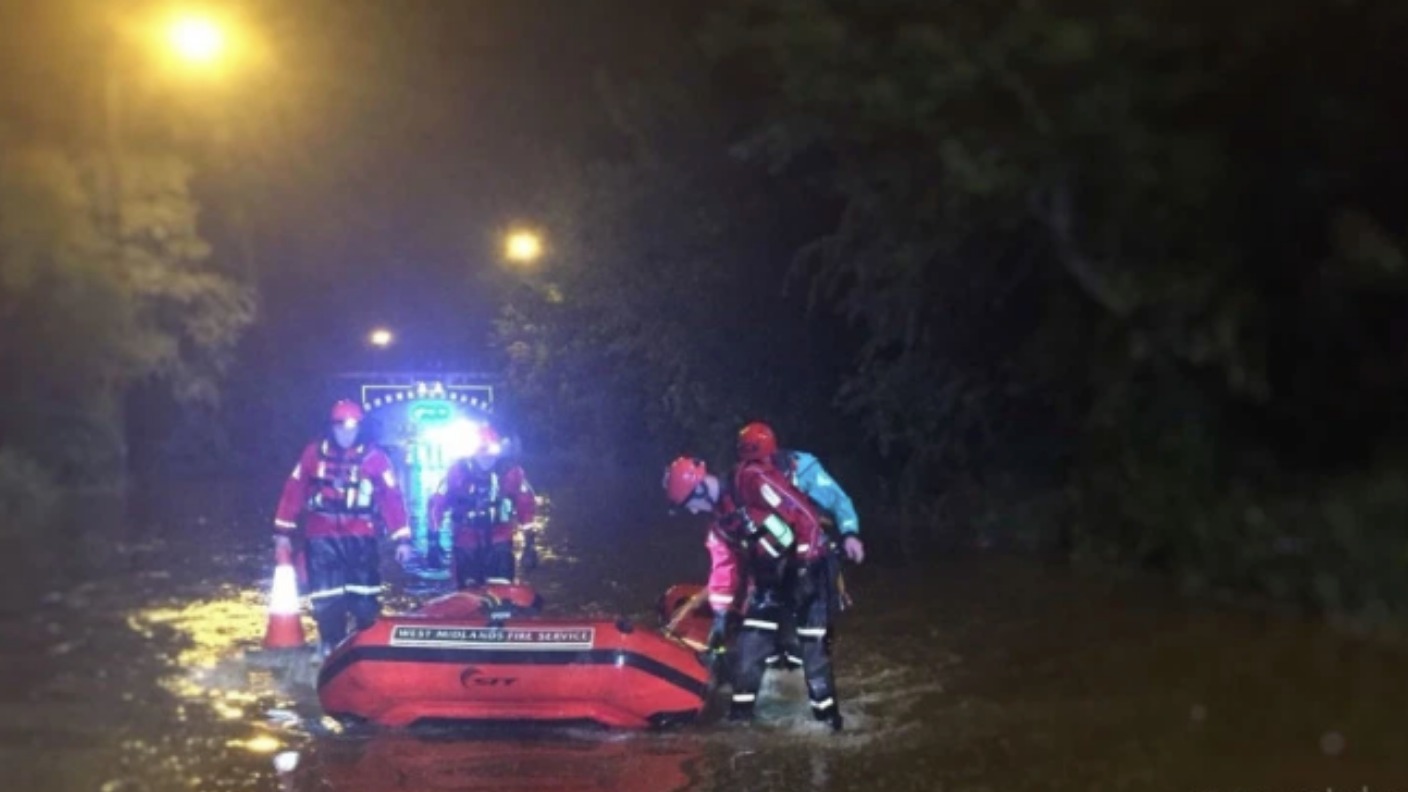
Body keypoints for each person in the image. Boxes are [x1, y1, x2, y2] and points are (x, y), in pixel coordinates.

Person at [663, 455, 846, 731]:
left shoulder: (751, 480)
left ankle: (831, 726)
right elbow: (724, 570)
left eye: (690, 503)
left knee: (813, 653)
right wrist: (722, 616)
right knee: (750, 650)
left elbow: (804, 514)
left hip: (809, 568)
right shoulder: (719, 524)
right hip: (770, 579)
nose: (692, 512)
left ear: (700, 488)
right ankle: (740, 723)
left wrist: (805, 564)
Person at [273, 399, 413, 658]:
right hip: (321, 536)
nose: (347, 433)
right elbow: (293, 491)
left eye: (352, 427)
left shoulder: (375, 458)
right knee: (326, 598)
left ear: (361, 427)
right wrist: (283, 533)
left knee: (364, 598)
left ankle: (364, 646)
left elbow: (391, 497)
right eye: (341, 427)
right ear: (332, 427)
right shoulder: (313, 454)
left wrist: (402, 538)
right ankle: (330, 645)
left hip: (361, 536)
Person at [736, 421, 865, 669]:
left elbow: (839, 501)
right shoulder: (747, 478)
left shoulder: (803, 468)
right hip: (779, 554)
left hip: (815, 550)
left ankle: (814, 661)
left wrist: (850, 533)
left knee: (814, 611)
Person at [428, 425, 536, 588]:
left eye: (489, 453)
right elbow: (437, 503)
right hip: (465, 539)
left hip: (500, 538)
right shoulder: (457, 472)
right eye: (481, 452)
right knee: (467, 591)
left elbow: (526, 504)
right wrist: (433, 540)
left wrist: (530, 544)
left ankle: (503, 609)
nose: (485, 458)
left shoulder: (511, 473)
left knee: (502, 590)